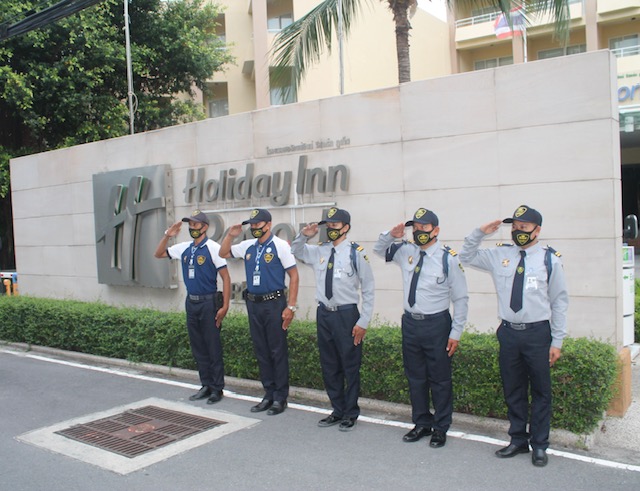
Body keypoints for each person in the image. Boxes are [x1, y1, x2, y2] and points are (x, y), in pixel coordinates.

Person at [458, 205, 568, 467]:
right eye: (515, 227)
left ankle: (539, 445)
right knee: (514, 389)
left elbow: (560, 301)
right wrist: (479, 233)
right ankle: (518, 439)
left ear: (537, 230)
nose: (518, 231)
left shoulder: (549, 259)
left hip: (538, 333)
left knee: (541, 391)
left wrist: (557, 340)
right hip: (508, 333)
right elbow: (466, 255)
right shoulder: (500, 255)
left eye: (524, 227)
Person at [373, 208, 468, 448]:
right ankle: (422, 423)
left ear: (435, 230)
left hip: (437, 324)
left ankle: (440, 427)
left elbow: (461, 298)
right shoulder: (405, 251)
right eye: (415, 228)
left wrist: (455, 332)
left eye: (423, 228)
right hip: (411, 323)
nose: (418, 233)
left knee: (440, 379)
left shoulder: (448, 258)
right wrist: (390, 234)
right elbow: (378, 250)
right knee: (415, 377)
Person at [291, 207, 375, 431]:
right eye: (328, 226)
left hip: (347, 315)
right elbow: (296, 250)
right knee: (329, 365)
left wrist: (363, 321)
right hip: (324, 313)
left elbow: (368, 289)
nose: (330, 229)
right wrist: (304, 235)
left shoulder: (356, 253)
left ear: (346, 227)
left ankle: (351, 412)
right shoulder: (320, 251)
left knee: (350, 365)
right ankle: (337, 410)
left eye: (335, 226)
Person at [219, 208, 299, 416]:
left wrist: (290, 307)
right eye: (252, 225)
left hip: (274, 304)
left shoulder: (280, 246)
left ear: (269, 225)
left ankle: (280, 397)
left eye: (258, 225)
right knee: (262, 350)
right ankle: (268, 393)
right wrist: (230, 235)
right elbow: (223, 253)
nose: (255, 228)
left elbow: (294, 275)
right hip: (254, 304)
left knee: (276, 351)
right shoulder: (247, 246)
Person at [154, 210, 230, 404]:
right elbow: (159, 253)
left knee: (212, 346)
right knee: (198, 346)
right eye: (190, 225)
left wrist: (225, 306)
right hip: (192, 302)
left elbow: (226, 277)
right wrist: (167, 236)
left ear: (205, 227)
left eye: (196, 225)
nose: (192, 228)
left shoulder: (213, 248)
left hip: (208, 301)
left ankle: (217, 388)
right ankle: (205, 384)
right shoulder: (185, 248)